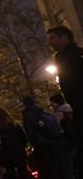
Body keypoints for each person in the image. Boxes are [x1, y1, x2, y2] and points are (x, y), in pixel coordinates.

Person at [47, 26, 83, 176]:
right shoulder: (72, 54)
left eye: (53, 38)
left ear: (64, 37)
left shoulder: (68, 56)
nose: (50, 42)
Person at [22, 96, 63, 179]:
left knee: (45, 169)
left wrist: (33, 142)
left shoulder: (27, 115)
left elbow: (30, 132)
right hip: (52, 141)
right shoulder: (41, 111)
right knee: (55, 167)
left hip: (41, 144)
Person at [0, 107, 29, 179]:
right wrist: (22, 146)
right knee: (22, 172)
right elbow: (23, 137)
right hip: (19, 151)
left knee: (10, 172)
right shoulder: (15, 124)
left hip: (6, 153)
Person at [49, 94, 76, 179]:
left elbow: (56, 130)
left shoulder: (58, 114)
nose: (51, 105)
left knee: (68, 169)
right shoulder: (71, 110)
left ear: (56, 102)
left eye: (52, 103)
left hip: (65, 144)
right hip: (75, 141)